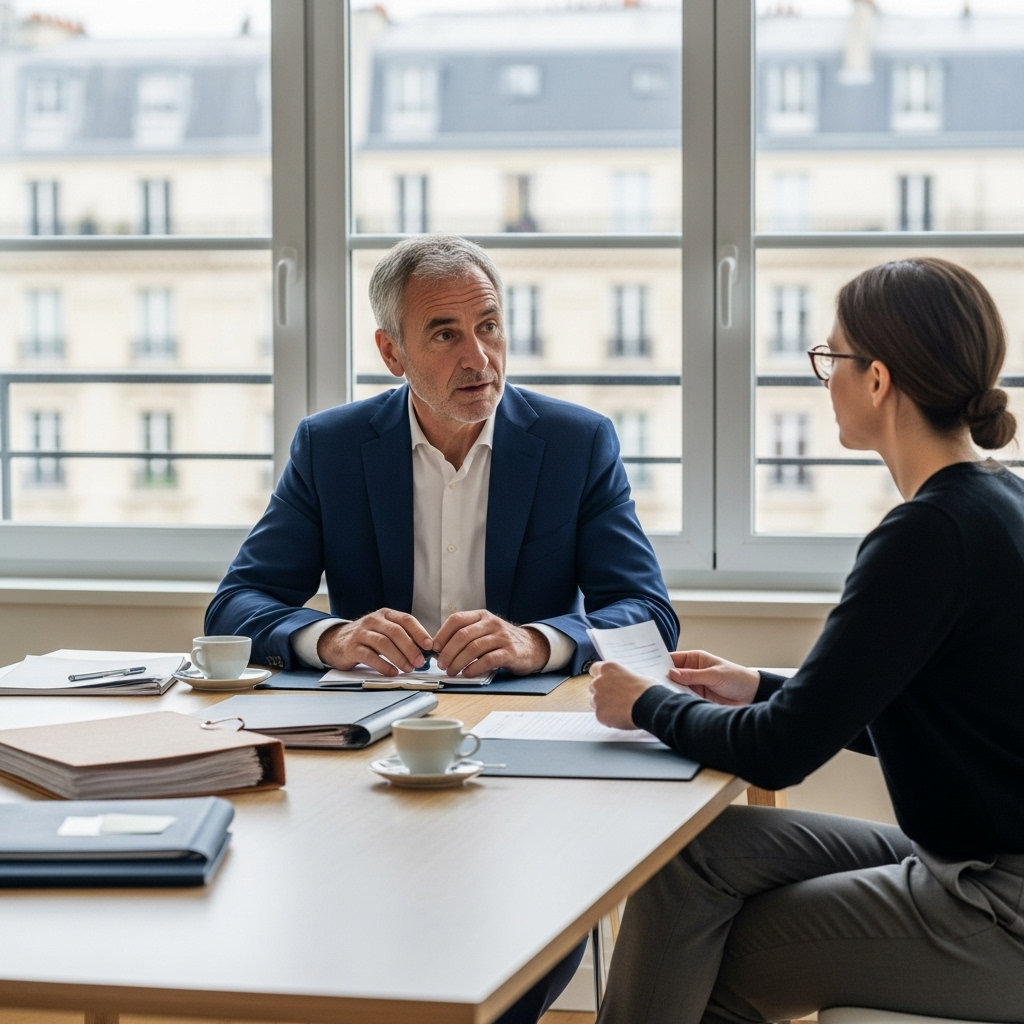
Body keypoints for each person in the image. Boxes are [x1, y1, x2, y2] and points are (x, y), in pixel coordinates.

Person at [206, 234, 679, 1023]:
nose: (479, 358)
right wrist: (332, 638)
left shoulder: (575, 441)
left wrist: (540, 641)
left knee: (528, 925)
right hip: (370, 764)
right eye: (445, 334)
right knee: (315, 915)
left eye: (489, 326)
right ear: (392, 352)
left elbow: (648, 613)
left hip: (525, 759)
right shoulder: (331, 447)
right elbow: (238, 603)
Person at [589, 257, 1024, 1024]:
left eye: (832, 358)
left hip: (997, 906)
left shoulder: (925, 535)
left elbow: (778, 753)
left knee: (723, 955)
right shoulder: (998, 498)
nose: (825, 378)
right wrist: (758, 685)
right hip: (968, 862)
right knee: (692, 857)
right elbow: (919, 708)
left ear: (879, 380)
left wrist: (647, 705)